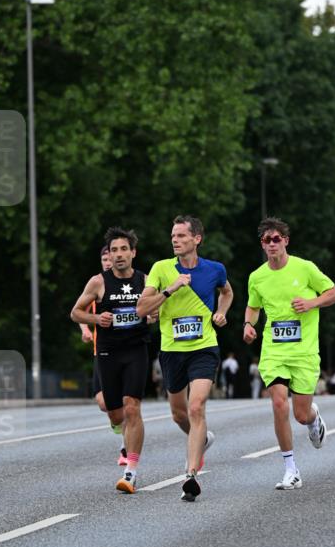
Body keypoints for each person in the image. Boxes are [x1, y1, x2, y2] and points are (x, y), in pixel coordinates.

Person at [137, 215, 233, 502]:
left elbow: (227, 292)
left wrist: (221, 312)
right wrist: (171, 288)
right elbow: (142, 308)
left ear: (196, 239)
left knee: (196, 406)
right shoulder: (161, 269)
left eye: (181, 236)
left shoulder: (215, 269)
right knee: (179, 414)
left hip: (204, 347)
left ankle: (191, 475)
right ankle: (201, 438)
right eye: (173, 236)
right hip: (172, 350)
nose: (175, 240)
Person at [243, 217, 335, 490]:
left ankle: (313, 417)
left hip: (304, 353)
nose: (272, 244)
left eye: (276, 239)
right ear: (262, 244)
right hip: (274, 351)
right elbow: (253, 306)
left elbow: (334, 293)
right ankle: (290, 469)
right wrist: (248, 324)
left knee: (300, 414)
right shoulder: (257, 277)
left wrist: (311, 303)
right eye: (267, 240)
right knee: (278, 403)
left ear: (285, 241)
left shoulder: (305, 268)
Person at [71, 227, 150, 493]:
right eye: (114, 250)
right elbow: (75, 313)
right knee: (115, 412)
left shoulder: (145, 280)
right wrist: (96, 318)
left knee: (132, 407)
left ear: (133, 252)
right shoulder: (98, 282)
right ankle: (123, 436)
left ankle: (131, 471)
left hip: (136, 350)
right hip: (108, 353)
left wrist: (153, 315)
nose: (118, 255)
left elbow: (160, 310)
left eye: (123, 249)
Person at [79, 244, 127, 466]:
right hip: (103, 351)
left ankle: (126, 448)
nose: (108, 262)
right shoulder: (98, 283)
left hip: (128, 350)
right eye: (104, 260)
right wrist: (85, 329)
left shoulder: (129, 283)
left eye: (111, 258)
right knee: (102, 402)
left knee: (127, 401)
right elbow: (80, 310)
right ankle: (116, 421)